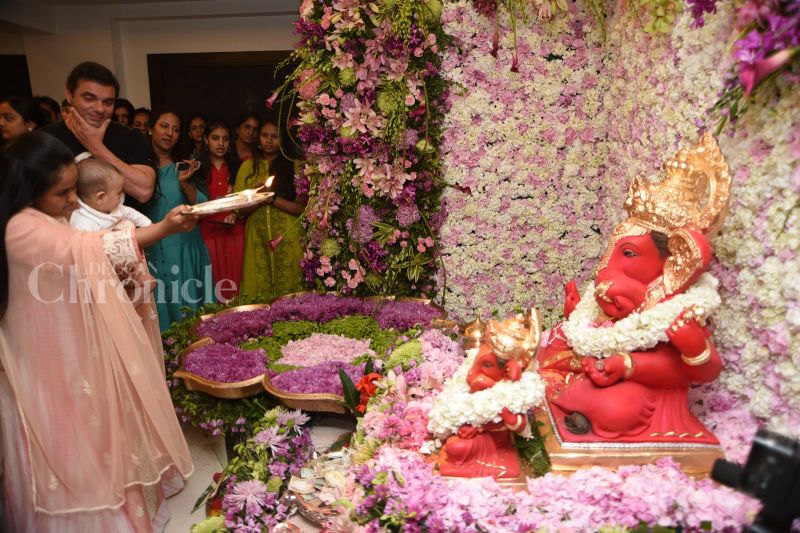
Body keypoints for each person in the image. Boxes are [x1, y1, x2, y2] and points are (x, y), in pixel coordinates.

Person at [0, 131, 194, 531]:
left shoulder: (41, 217)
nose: (74, 200)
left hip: (63, 352)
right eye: (64, 192)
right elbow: (92, 250)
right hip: (42, 364)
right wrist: (165, 228)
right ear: (28, 190)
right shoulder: (20, 227)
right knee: (72, 448)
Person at [40, 62, 155, 205]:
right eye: (89, 98)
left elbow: (144, 191)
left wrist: (95, 147)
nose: (99, 109)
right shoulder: (43, 140)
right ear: (69, 95)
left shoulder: (131, 137)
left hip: (122, 219)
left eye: (108, 102)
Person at [144, 107, 215, 330]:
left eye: (175, 129)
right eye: (164, 126)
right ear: (150, 128)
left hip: (185, 248)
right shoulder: (138, 168)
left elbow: (202, 207)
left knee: (192, 318)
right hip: (153, 249)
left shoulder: (185, 164)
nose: (170, 133)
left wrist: (185, 183)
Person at [234, 118, 305, 299]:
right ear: (258, 138)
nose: (269, 140)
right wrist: (259, 198)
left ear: (282, 140)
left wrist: (272, 198)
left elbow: (302, 209)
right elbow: (240, 210)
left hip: (288, 237)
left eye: (274, 136)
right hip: (257, 239)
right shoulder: (247, 167)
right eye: (265, 135)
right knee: (258, 289)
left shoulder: (295, 167)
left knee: (291, 291)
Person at [198, 119, 244, 301]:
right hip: (208, 231)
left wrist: (234, 213)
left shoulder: (237, 167)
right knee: (214, 283)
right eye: (215, 138)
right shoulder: (198, 169)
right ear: (205, 139)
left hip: (234, 230)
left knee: (236, 281)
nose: (221, 143)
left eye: (225, 139)